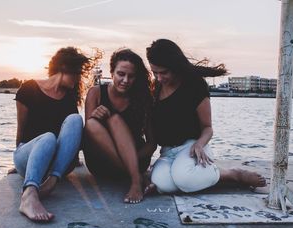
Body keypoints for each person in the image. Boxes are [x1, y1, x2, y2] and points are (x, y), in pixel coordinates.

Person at [145, 39, 266, 194]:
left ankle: (232, 174)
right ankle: (202, 178)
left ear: (174, 66)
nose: (159, 78)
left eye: (164, 72)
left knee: (185, 179)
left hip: (191, 147)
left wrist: (200, 144)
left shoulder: (194, 85)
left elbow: (207, 128)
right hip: (167, 152)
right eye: (155, 72)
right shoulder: (154, 89)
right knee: (164, 186)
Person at [14, 47, 99, 222]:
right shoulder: (29, 89)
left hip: (56, 168)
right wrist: (19, 160)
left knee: (76, 119)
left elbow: (71, 133)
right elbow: (21, 132)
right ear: (65, 68)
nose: (78, 79)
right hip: (30, 158)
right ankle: (29, 195)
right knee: (48, 137)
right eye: (77, 74)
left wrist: (73, 159)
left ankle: (51, 183)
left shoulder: (68, 98)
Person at [83, 48, 156, 204]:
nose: (125, 80)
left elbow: (152, 144)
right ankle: (137, 178)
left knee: (114, 119)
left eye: (131, 76)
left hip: (137, 159)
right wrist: (96, 116)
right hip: (102, 164)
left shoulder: (143, 98)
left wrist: (131, 159)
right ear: (112, 72)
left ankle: (135, 180)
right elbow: (89, 132)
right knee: (92, 123)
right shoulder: (96, 93)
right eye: (121, 74)